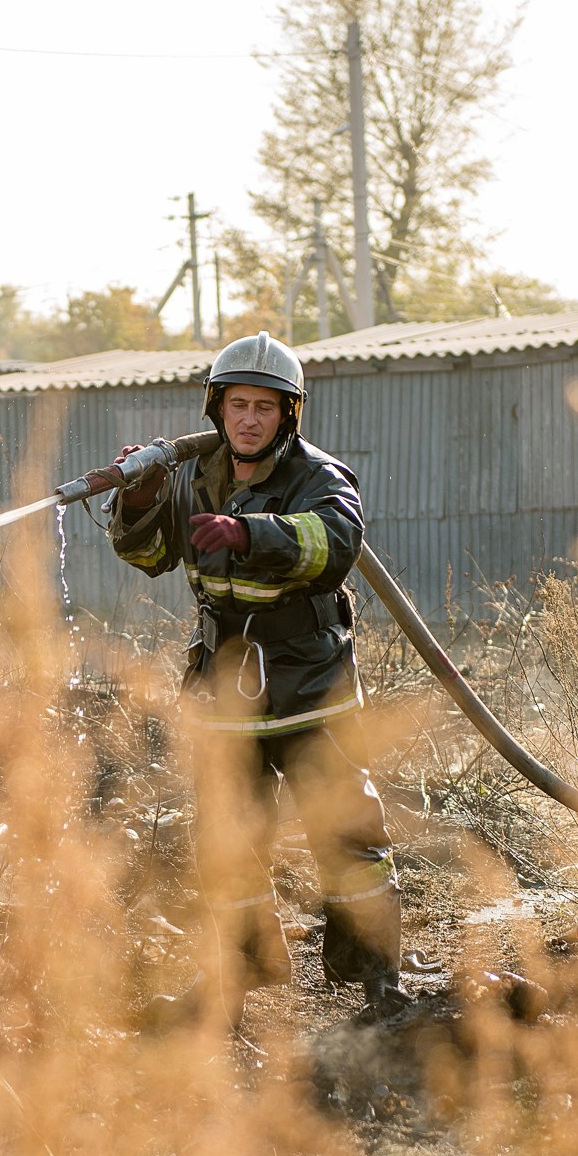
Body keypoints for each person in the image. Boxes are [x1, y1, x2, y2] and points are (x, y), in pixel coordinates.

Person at [107, 331, 404, 1022]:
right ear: (217, 409)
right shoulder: (193, 473)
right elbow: (149, 554)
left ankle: (379, 984)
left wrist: (253, 534)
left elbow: (334, 545)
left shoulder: (319, 477)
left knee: (347, 837)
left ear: (287, 415)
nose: (248, 419)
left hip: (307, 687)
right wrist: (140, 498)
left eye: (264, 408)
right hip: (225, 689)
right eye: (237, 405)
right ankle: (239, 980)